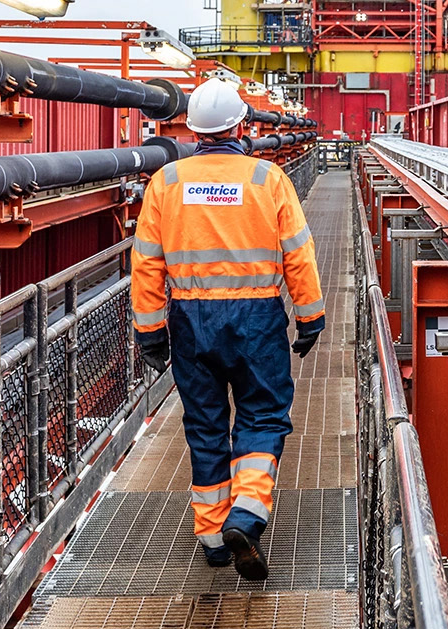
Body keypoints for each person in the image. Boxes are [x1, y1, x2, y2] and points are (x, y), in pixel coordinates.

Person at [130, 79, 325, 580]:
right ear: (242, 126)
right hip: (256, 321)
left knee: (205, 426)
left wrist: (150, 331)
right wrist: (310, 316)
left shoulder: (166, 183)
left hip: (191, 323)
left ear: (193, 131)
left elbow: (147, 265)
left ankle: (214, 537)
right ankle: (247, 513)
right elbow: (298, 254)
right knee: (262, 415)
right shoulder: (267, 180)